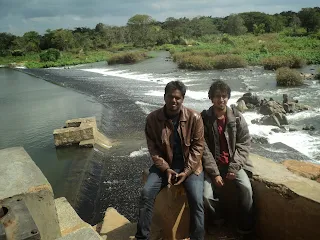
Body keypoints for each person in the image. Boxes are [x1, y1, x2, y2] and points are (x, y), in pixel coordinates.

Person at [135, 81, 205, 240]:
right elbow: (153, 150)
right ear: (164, 97)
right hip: (164, 166)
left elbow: (198, 147)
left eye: (178, 98)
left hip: (190, 166)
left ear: (183, 99)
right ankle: (142, 237)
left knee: (197, 200)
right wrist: (166, 169)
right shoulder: (153, 119)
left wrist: (186, 172)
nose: (174, 101)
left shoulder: (194, 117)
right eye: (170, 97)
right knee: (146, 193)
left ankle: (198, 237)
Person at [201, 80, 254, 235]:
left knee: (246, 189)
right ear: (211, 98)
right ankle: (219, 221)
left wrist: (234, 167)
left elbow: (244, 144)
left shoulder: (237, 118)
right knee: (206, 195)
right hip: (213, 167)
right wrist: (215, 173)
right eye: (218, 96)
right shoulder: (204, 119)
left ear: (228, 98)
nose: (221, 100)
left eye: (224, 96)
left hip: (234, 165)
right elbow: (203, 149)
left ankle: (245, 227)